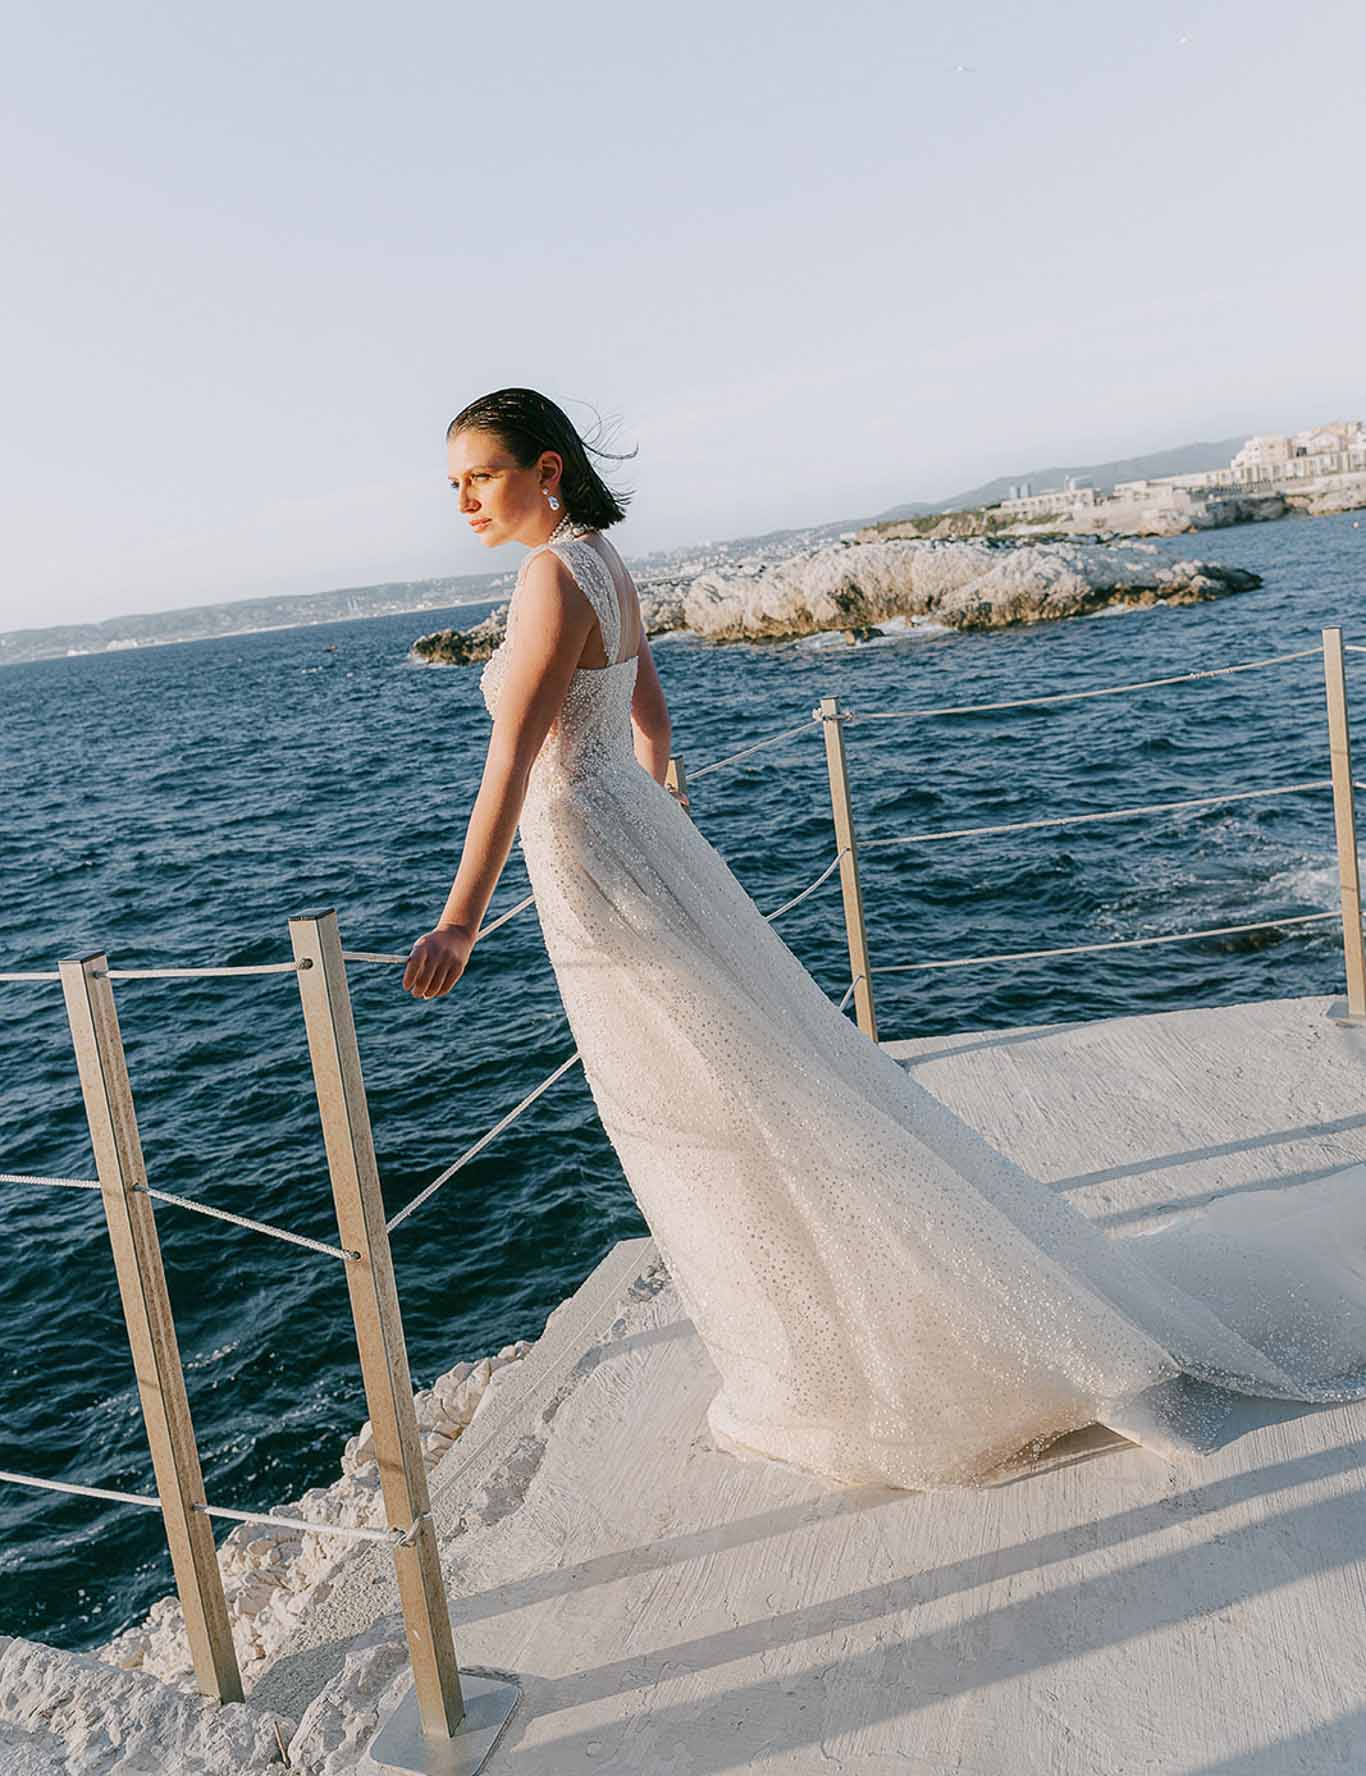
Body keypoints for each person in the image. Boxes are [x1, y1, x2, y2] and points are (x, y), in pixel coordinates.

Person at [402, 387, 1366, 1488]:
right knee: (753, 1080)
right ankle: (829, 1330)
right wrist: (656, 809)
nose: (467, 498)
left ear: (547, 469)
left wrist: (460, 918)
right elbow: (651, 720)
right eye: (454, 485)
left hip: (594, 861)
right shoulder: (603, 563)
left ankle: (821, 1362)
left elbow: (516, 755)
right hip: (634, 842)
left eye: (481, 474)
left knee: (690, 1104)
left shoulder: (544, 576)